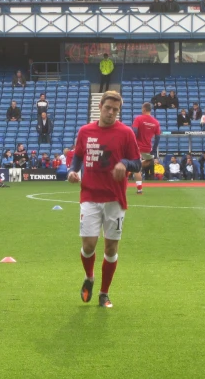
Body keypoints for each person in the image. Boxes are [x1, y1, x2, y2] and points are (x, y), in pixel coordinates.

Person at [69, 91, 141, 308]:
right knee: (89, 245)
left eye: (115, 110)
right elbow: (78, 156)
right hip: (90, 195)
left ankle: (104, 293)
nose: (111, 113)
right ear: (100, 106)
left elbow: (137, 163)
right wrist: (73, 171)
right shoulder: (85, 131)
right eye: (108, 108)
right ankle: (90, 277)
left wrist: (125, 165)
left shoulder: (126, 133)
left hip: (115, 199)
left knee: (111, 249)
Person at [132, 102, 161, 195]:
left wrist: (133, 143)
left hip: (137, 147)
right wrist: (154, 149)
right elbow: (158, 137)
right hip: (148, 148)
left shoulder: (138, 119)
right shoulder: (156, 122)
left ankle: (139, 189)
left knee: (136, 168)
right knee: (150, 161)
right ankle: (136, 167)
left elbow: (134, 131)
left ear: (144, 109)